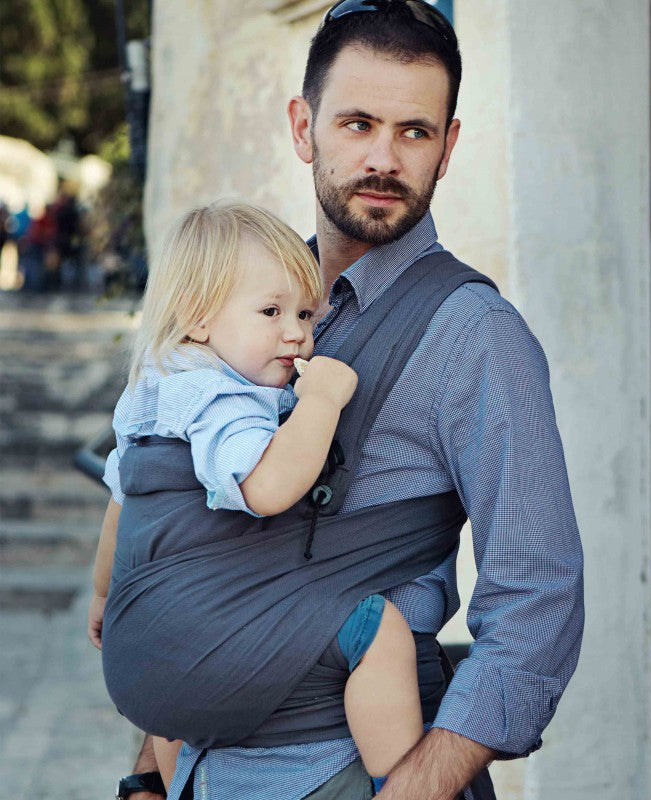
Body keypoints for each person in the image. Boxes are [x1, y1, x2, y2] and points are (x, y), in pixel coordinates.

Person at [100, 2, 584, 798]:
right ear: (303, 127)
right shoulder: (233, 302)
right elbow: (188, 544)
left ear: (447, 147)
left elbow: (537, 603)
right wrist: (149, 774)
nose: (384, 159)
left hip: (344, 769)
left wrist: (416, 788)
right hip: (200, 769)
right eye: (357, 124)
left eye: (415, 132)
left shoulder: (477, 335)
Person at [90, 202, 426, 795]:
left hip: (141, 657)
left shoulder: (157, 385)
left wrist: (103, 594)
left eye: (304, 312)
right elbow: (266, 488)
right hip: (206, 644)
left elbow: (124, 498)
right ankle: (397, 780)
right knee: (381, 631)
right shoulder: (222, 398)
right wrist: (322, 401)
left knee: (179, 706)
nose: (296, 332)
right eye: (270, 312)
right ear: (197, 318)